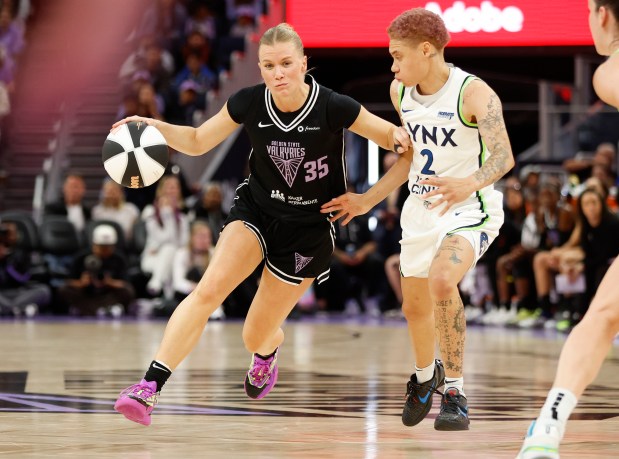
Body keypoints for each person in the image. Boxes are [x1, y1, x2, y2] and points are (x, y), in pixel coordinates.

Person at [112, 22, 411, 426]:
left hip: (309, 228)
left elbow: (397, 143)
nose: (279, 73)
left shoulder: (334, 105)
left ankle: (266, 354)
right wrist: (154, 127)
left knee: (254, 334)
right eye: (269, 65)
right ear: (260, 67)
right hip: (257, 210)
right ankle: (148, 387)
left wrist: (367, 198)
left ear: (304, 63)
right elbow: (199, 140)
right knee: (208, 291)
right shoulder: (249, 102)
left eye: (287, 63)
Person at [321, 8, 514, 431]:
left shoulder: (473, 93)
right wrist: (367, 200)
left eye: (397, 56)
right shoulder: (400, 93)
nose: (392, 66)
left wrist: (469, 183)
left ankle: (457, 393)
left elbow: (503, 156)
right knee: (414, 307)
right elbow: (408, 159)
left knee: (443, 281)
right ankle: (427, 378)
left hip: (469, 209)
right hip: (422, 208)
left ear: (426, 50)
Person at [517, 1, 619, 458]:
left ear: (602, 15)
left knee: (600, 320)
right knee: (601, 316)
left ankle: (547, 426)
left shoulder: (607, 72)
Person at [57, 224, 135, 317]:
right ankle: (105, 310)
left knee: (128, 291)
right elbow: (69, 281)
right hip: (86, 295)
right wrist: (81, 283)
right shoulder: (81, 257)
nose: (105, 250)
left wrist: (110, 282)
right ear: (94, 245)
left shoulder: (119, 259)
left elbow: (125, 283)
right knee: (64, 289)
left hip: (107, 295)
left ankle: (90, 310)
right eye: (102, 247)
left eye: (108, 247)